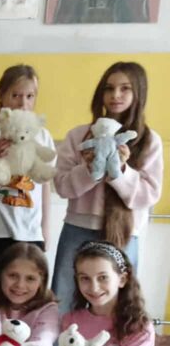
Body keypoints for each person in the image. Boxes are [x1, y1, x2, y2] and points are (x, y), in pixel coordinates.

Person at [52, 62, 163, 313]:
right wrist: (90, 168)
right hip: (78, 228)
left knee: (120, 305)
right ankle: (60, 342)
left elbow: (148, 194)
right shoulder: (78, 136)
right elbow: (62, 186)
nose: (116, 95)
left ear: (138, 93)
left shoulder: (149, 140)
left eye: (125, 88)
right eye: (109, 88)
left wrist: (119, 171)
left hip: (124, 233)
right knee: (63, 300)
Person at [0, 65, 55, 287]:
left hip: (30, 229)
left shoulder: (42, 135)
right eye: (15, 95)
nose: (23, 103)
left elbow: (45, 185)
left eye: (30, 96)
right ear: (2, 95)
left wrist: (45, 228)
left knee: (29, 290)